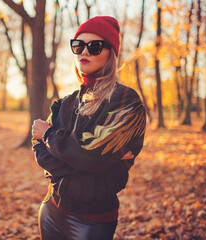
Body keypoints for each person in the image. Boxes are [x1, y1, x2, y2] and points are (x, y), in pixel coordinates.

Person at [31, 16, 146, 240]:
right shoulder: (64, 103)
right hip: (51, 210)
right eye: (78, 45)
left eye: (94, 47)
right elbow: (40, 150)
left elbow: (91, 155)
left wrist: (48, 134)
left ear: (110, 53)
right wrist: (87, 160)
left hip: (92, 221)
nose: (84, 52)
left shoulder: (126, 101)